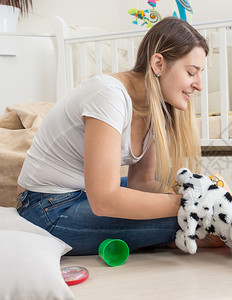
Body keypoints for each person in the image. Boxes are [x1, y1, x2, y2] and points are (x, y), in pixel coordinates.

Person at [16, 17, 215, 255]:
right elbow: (105, 199)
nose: (200, 85)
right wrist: (191, 205)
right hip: (46, 208)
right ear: (159, 64)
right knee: (189, 221)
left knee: (194, 202)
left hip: (85, 193)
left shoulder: (154, 108)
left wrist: (202, 195)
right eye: (192, 72)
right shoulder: (108, 94)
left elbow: (140, 184)